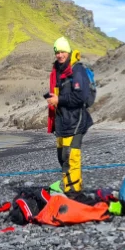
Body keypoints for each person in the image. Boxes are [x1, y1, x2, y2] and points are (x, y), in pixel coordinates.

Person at [46, 36, 93, 196]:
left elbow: (80, 97)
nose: (60, 55)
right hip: (62, 122)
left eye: (62, 52)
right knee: (62, 158)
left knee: (71, 157)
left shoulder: (76, 70)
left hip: (76, 122)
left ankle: (74, 193)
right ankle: (69, 189)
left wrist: (59, 99)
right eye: (57, 52)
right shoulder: (58, 71)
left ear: (68, 51)